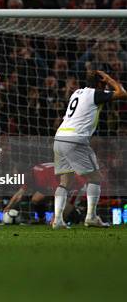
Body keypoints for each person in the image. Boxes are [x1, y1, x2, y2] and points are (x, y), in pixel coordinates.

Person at [52, 70, 127, 229]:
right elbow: (122, 93)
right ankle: (91, 217)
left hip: (59, 137)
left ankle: (57, 220)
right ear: (101, 83)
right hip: (75, 139)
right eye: (104, 83)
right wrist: (110, 79)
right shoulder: (95, 94)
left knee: (65, 181)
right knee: (95, 178)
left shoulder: (77, 93)